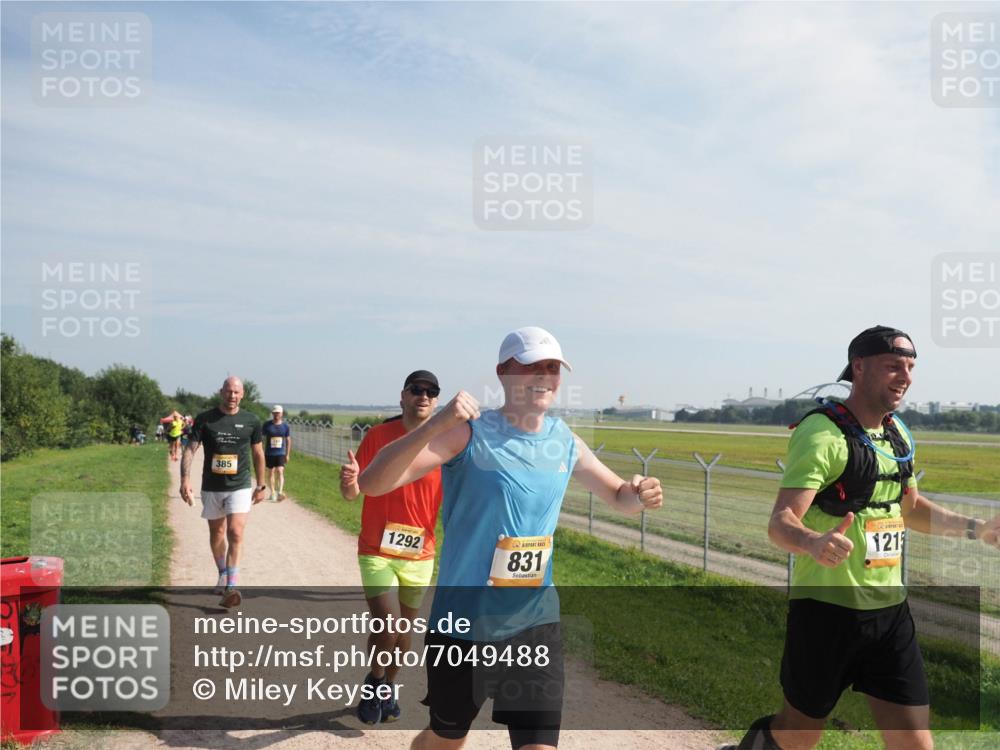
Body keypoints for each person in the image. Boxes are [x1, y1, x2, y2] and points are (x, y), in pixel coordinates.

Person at [359, 327, 664, 750]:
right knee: (448, 738)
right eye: (532, 365)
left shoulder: (564, 441)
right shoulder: (470, 433)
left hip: (534, 623)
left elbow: (617, 495)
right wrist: (439, 423)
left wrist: (639, 493)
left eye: (552, 367)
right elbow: (373, 483)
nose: (544, 375)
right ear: (503, 372)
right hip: (462, 625)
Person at [723, 325, 1000, 750]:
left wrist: (976, 529)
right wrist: (813, 542)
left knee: (914, 742)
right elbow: (780, 522)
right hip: (827, 612)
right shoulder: (821, 434)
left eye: (909, 366)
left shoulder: (899, 435)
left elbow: (911, 510)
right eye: (893, 366)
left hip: (890, 614)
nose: (905, 376)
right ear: (859, 367)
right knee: (799, 734)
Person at [339, 370, 444, 725]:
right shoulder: (380, 436)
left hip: (420, 553)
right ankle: (375, 681)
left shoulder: (445, 443)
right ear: (403, 396)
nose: (423, 396)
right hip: (376, 548)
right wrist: (350, 482)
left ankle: (388, 688)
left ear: (437, 400)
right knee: (388, 623)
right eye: (416, 390)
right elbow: (353, 493)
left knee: (404, 634)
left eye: (431, 391)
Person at [179, 377, 268, 609]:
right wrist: (185, 479)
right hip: (212, 486)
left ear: (243, 394)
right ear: (221, 392)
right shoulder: (205, 419)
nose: (232, 396)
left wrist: (261, 485)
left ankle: (231, 586)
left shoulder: (251, 420)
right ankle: (222, 572)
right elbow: (190, 449)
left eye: (236, 392)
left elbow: (258, 454)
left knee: (235, 532)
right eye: (229, 392)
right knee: (217, 533)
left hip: (239, 485)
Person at [262, 405, 292, 502]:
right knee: (270, 472)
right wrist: (261, 452)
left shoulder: (285, 426)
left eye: (278, 413)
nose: (276, 415)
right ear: (272, 414)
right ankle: (273, 492)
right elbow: (262, 439)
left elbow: (288, 440)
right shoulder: (267, 425)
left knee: (280, 471)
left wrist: (287, 454)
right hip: (269, 453)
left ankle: (280, 491)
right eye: (274, 413)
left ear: (282, 414)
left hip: (280, 452)